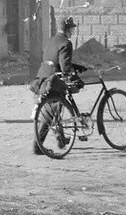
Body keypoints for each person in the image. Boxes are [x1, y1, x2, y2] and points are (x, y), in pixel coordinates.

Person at [30, 16, 88, 155]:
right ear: (67, 29)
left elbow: (54, 59)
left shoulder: (51, 40)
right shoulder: (66, 43)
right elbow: (65, 66)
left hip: (42, 76)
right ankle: (38, 146)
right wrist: (76, 78)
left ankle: (60, 139)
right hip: (53, 79)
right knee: (52, 110)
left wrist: (77, 67)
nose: (72, 32)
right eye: (72, 29)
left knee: (53, 110)